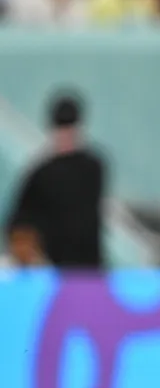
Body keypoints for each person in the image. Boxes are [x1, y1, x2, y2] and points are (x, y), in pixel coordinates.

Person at [6, 92, 105, 268]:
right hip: (54, 267)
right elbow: (19, 222)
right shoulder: (43, 173)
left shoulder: (92, 168)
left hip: (84, 268)